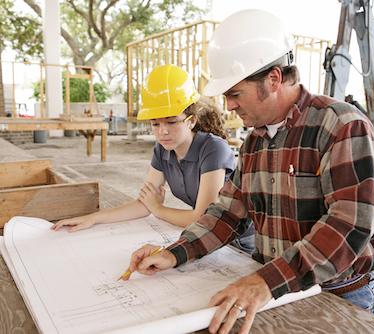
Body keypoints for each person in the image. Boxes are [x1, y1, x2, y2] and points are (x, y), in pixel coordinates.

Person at [122, 9, 374, 334]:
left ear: (273, 79)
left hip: (339, 296)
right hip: (276, 293)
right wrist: (176, 252)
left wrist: (264, 283)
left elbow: (348, 226)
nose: (229, 106)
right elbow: (227, 213)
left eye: (235, 94)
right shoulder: (254, 142)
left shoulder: (341, 125)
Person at [52, 64, 255, 253]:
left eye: (171, 121)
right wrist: (92, 219)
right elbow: (143, 203)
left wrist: (157, 208)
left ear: (191, 121)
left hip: (240, 241)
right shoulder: (163, 150)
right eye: (155, 124)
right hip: (209, 237)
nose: (163, 132)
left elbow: (203, 216)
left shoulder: (213, 148)